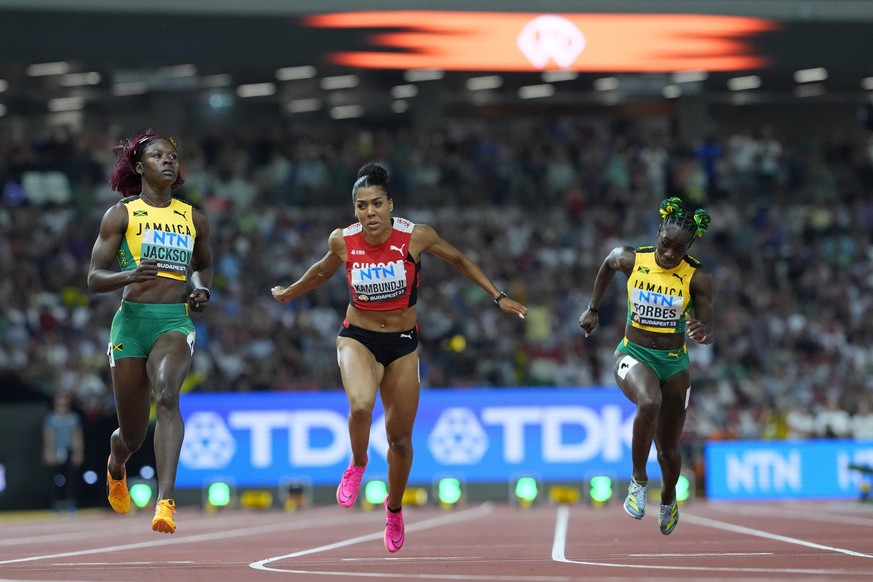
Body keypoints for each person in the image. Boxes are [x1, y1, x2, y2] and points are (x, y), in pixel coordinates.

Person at [271, 161, 527, 553]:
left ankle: (393, 510)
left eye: (376, 203)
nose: (369, 212)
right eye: (361, 205)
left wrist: (498, 296)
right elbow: (322, 272)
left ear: (391, 203)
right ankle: (357, 464)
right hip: (357, 338)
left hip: (404, 345)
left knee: (401, 441)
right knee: (361, 406)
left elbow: (458, 260)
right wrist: (291, 291)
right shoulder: (343, 240)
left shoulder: (416, 237)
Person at [87, 131, 213, 534]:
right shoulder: (121, 215)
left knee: (169, 395)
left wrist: (200, 288)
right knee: (133, 435)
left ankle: (165, 501)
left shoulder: (193, 217)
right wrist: (129, 274)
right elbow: (93, 278)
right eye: (158, 155)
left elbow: (204, 264)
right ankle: (116, 463)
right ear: (140, 167)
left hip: (174, 322)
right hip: (131, 323)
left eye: (173, 155)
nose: (168, 160)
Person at [578, 196, 713, 536]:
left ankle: (668, 498)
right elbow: (607, 265)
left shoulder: (697, 278)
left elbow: (706, 322)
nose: (669, 254)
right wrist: (593, 308)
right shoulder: (631, 259)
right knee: (649, 402)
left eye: (678, 250)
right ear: (658, 234)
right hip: (633, 355)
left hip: (674, 364)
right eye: (665, 245)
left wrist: (703, 330)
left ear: (689, 249)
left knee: (668, 450)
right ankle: (638, 480)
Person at [42, 390, 84, 512]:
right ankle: (56, 503)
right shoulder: (51, 418)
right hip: (56, 450)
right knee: (55, 479)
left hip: (69, 450)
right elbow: (48, 436)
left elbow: (77, 436)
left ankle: (70, 502)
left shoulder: (73, 418)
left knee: (71, 479)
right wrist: (49, 452)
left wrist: (78, 452)